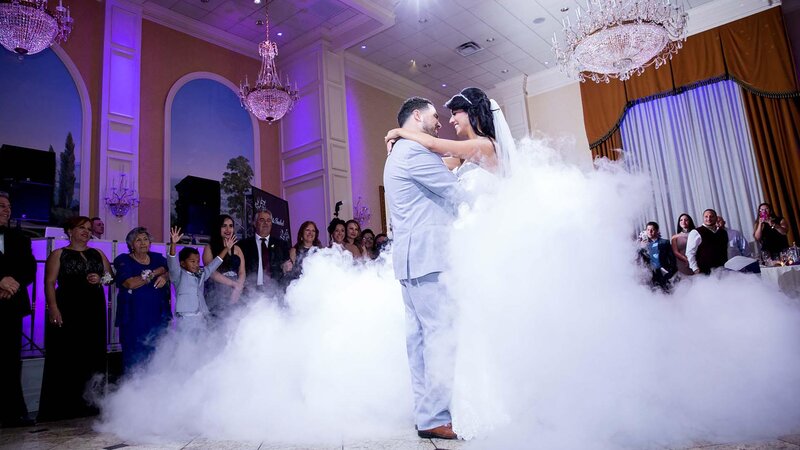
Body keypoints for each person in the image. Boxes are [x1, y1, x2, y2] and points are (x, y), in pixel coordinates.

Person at [383, 96, 466, 440]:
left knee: (418, 340)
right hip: (427, 257)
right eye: (434, 116)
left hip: (409, 260)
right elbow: (455, 192)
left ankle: (426, 413)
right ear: (416, 116)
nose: (440, 122)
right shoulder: (414, 152)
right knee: (439, 335)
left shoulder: (397, 153)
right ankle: (434, 414)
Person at [38, 216, 112, 422]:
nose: (86, 232)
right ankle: (64, 406)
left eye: (89, 229)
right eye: (82, 228)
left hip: (94, 310)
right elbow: (49, 282)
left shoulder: (98, 253)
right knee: (67, 355)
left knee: (92, 353)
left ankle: (92, 405)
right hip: (68, 308)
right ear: (70, 230)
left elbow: (111, 277)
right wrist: (53, 307)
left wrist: (100, 278)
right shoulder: (58, 254)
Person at [0, 192, 36, 427]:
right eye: (1, 206)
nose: (7, 210)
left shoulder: (21, 239)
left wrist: (11, 284)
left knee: (10, 361)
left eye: (9, 206)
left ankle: (13, 412)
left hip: (11, 307)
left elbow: (29, 269)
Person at [113, 227, 171, 374]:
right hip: (134, 318)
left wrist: (165, 276)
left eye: (145, 239)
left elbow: (172, 269)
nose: (143, 243)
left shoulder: (158, 258)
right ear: (131, 245)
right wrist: (155, 273)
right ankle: (132, 393)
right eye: (138, 240)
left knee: (158, 355)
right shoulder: (123, 260)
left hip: (158, 316)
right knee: (135, 358)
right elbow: (130, 283)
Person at [168, 227, 230, 328]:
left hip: (201, 317)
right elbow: (172, 263)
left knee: (200, 342)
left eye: (197, 261)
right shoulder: (177, 275)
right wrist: (173, 244)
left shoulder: (201, 273)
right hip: (185, 319)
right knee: (186, 343)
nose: (196, 264)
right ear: (182, 263)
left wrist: (226, 249)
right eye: (192, 261)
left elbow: (213, 265)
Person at [239, 210, 291, 297]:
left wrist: (286, 267)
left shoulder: (282, 245)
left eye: (268, 220)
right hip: (250, 292)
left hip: (274, 292)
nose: (266, 223)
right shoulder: (243, 245)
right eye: (262, 220)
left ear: (271, 224)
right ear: (255, 224)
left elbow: (287, 268)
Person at [203, 215, 246, 317]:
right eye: (224, 226)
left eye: (230, 226)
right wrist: (233, 284)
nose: (228, 229)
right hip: (216, 294)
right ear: (218, 228)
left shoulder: (238, 249)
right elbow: (211, 273)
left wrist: (238, 288)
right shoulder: (209, 248)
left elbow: (242, 272)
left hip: (235, 294)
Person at [686, 209, 728, 275]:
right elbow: (690, 253)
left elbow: (726, 250)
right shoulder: (696, 232)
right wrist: (695, 268)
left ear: (716, 218)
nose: (709, 219)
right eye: (706, 216)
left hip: (722, 270)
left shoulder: (723, 232)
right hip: (704, 271)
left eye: (711, 216)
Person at [639, 222, 677, 291]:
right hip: (650, 275)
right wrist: (641, 247)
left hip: (665, 273)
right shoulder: (643, 245)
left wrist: (671, 271)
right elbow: (640, 260)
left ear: (657, 230)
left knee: (668, 292)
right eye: (648, 230)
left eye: (652, 229)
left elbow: (672, 258)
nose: (650, 232)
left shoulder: (665, 242)